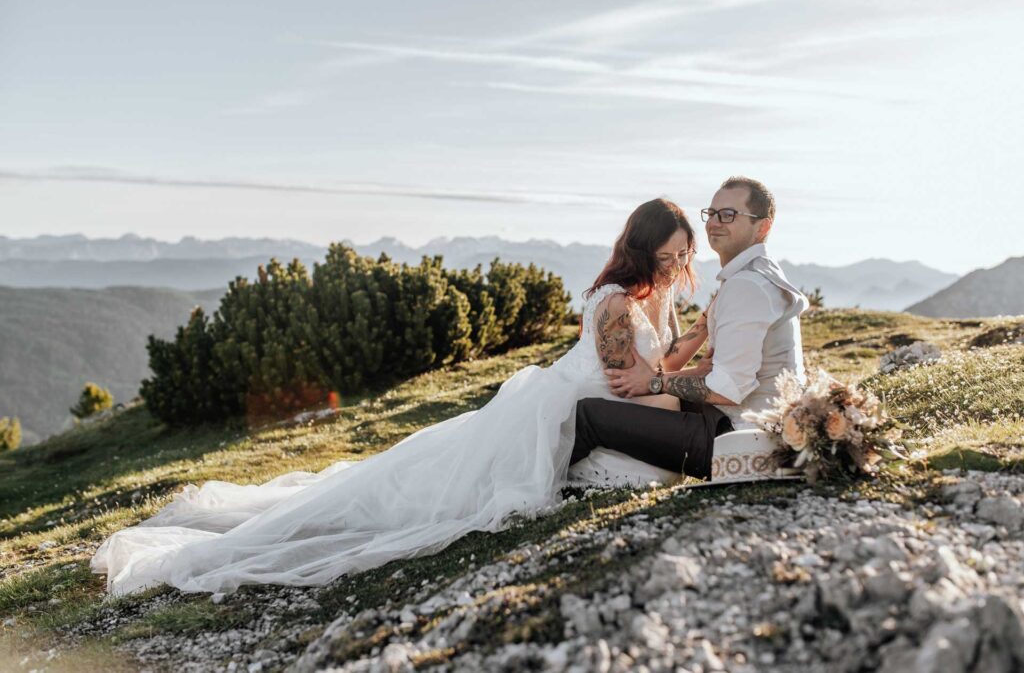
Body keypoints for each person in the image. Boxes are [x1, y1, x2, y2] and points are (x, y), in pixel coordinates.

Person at [89, 198, 712, 597]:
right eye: (668, 255)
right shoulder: (613, 307)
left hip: (607, 407)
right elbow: (635, 391)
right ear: (641, 250)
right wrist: (690, 389)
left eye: (685, 254)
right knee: (425, 498)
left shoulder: (660, 296)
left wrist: (699, 341)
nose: (678, 265)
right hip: (565, 415)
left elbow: (658, 367)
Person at [569, 176, 810, 484]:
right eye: (712, 213)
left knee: (585, 416)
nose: (715, 223)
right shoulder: (756, 276)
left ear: (762, 227)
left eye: (729, 215)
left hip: (741, 442)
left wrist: (654, 383)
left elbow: (724, 389)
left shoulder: (746, 286)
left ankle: (549, 489)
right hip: (755, 425)